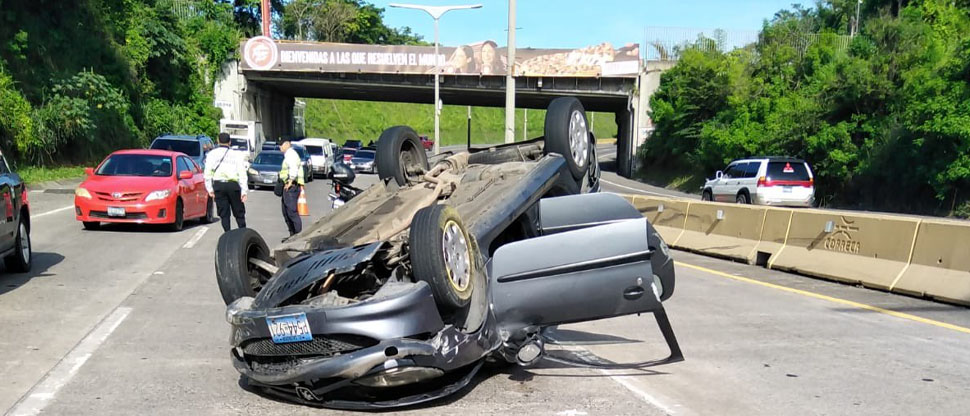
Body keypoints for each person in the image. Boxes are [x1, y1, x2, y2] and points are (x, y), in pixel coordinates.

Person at [204, 132, 248, 232]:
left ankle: (227, 233)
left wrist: (210, 189)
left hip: (219, 185)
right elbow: (242, 173)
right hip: (233, 185)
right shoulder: (237, 154)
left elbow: (207, 173)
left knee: (224, 213)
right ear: (230, 142)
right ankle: (243, 232)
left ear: (218, 141)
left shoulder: (211, 154)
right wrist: (244, 191)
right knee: (239, 211)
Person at [279, 138, 305, 239]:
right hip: (288, 186)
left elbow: (293, 168)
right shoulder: (288, 155)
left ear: (287, 144)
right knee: (286, 212)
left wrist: (290, 181)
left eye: (281, 144)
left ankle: (298, 236)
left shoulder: (291, 154)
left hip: (292, 187)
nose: (279, 147)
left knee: (291, 212)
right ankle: (292, 235)